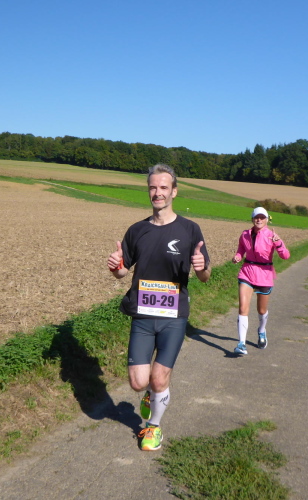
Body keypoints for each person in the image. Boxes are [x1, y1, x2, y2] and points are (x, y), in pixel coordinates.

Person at [107, 163, 211, 451]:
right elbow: (122, 272)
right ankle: (150, 394)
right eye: (153, 187)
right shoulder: (137, 230)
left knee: (159, 377)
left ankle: (153, 427)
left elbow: (205, 276)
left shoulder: (190, 230)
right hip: (142, 316)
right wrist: (116, 266)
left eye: (164, 187)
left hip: (173, 317)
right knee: (138, 382)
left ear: (174, 191)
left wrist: (201, 267)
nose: (158, 193)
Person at [231, 207, 290, 355]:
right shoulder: (245, 234)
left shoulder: (272, 236)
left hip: (265, 275)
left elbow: (285, 256)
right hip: (247, 272)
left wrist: (278, 243)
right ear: (252, 219)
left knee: (261, 310)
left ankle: (262, 331)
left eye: (262, 217)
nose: (259, 220)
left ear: (267, 219)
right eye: (256, 217)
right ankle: (241, 344)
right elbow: (241, 249)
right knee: (243, 308)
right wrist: (238, 257)